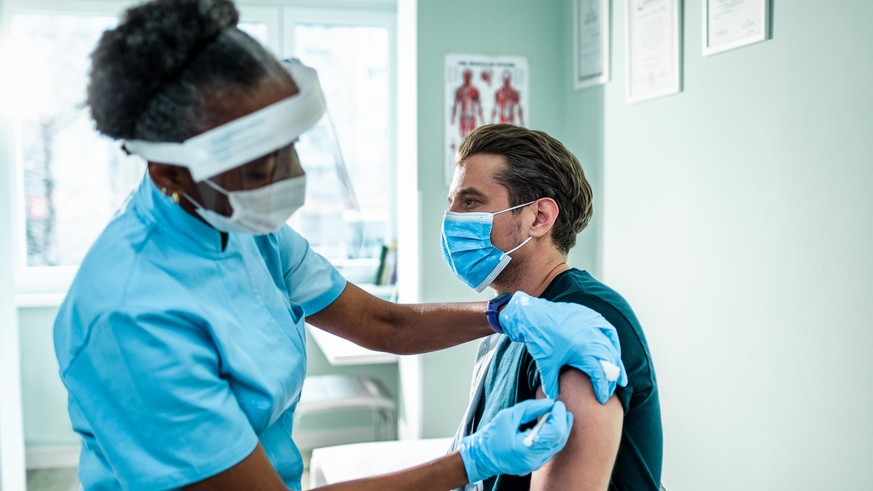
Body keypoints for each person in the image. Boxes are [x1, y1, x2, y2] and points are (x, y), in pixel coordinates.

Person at [52, 1, 627, 490]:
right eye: (260, 169)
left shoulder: (246, 228)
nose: (291, 176)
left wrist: (507, 313)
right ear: (171, 173)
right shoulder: (129, 316)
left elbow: (385, 326)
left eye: (291, 146)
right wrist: (470, 461)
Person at [443, 124, 663, 490]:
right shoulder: (517, 318)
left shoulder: (583, 321)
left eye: (470, 202)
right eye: (451, 203)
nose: (451, 219)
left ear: (539, 218)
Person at [450, 69, 484, 139]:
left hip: (471, 115)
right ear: (463, 77)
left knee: (472, 135)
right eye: (466, 76)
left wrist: (481, 118)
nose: (467, 78)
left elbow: (479, 104)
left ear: (470, 77)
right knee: (462, 136)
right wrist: (453, 117)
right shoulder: (460, 90)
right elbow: (455, 104)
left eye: (468, 76)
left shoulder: (474, 90)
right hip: (463, 115)